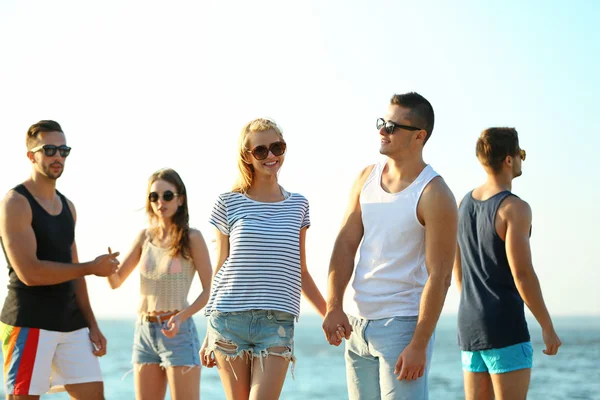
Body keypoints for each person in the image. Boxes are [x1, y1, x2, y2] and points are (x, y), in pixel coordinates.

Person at [322, 93, 458, 400]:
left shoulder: (435, 193)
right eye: (382, 123)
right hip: (357, 326)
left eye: (394, 126)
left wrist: (419, 343)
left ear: (419, 136)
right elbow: (345, 244)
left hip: (403, 326)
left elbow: (441, 276)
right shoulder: (365, 178)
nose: (383, 131)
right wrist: (334, 306)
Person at [200, 118, 331, 400]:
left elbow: (301, 271)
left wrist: (328, 314)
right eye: (261, 151)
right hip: (228, 321)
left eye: (277, 147)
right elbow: (221, 266)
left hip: (277, 323)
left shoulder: (299, 205)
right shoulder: (228, 202)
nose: (271, 156)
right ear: (247, 156)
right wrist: (206, 330)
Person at [0, 120, 120, 399]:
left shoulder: (68, 207)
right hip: (29, 321)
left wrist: (92, 323)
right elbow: (30, 273)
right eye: (50, 149)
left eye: (63, 150)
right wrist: (92, 267)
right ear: (31, 155)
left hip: (71, 323)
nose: (58, 157)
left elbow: (74, 270)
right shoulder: (15, 203)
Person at [454, 127, 561, 400]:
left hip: (469, 324)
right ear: (509, 160)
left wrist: (474, 304)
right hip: (504, 326)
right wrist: (547, 327)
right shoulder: (514, 208)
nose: (522, 159)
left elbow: (458, 269)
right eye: (521, 154)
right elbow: (522, 274)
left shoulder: (463, 204)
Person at [107, 168, 212, 400]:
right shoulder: (144, 237)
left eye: (167, 195)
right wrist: (106, 267)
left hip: (178, 332)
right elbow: (116, 281)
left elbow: (209, 291)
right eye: (153, 196)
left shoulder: (192, 237)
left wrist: (181, 317)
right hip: (144, 332)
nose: (160, 202)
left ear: (180, 199)